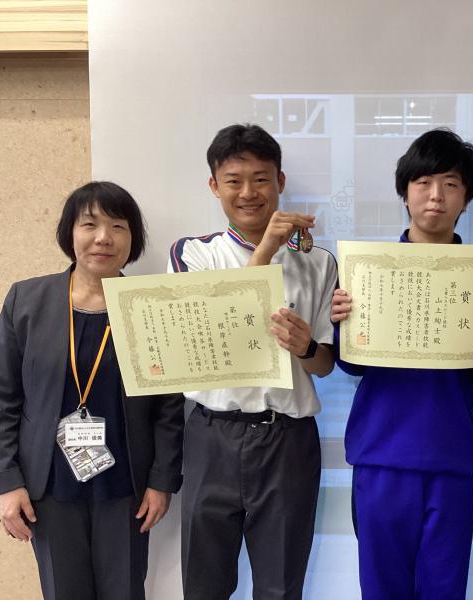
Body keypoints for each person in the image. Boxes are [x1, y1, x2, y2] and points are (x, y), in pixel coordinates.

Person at [0, 181, 185, 600]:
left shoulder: (150, 306)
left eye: (118, 226)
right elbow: (1, 397)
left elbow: (168, 407)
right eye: (89, 224)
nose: (103, 237)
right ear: (69, 232)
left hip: (126, 489)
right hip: (49, 489)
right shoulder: (26, 301)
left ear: (133, 239)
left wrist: (162, 482)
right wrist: (8, 483)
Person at [331, 129, 473, 599]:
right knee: (382, 587)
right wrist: (341, 323)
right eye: (424, 182)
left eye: (451, 184)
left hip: (449, 455)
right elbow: (351, 367)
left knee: (443, 588)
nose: (436, 196)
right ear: (405, 192)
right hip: (381, 453)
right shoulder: (365, 272)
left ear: (466, 199)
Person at [169, 123, 337, 600]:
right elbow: (210, 335)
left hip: (288, 439)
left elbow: (325, 365)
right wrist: (266, 250)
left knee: (280, 587)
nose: (248, 192)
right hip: (211, 434)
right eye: (234, 180)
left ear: (280, 181)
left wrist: (306, 348)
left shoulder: (320, 261)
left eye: (261, 179)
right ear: (214, 186)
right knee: (204, 585)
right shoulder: (192, 253)